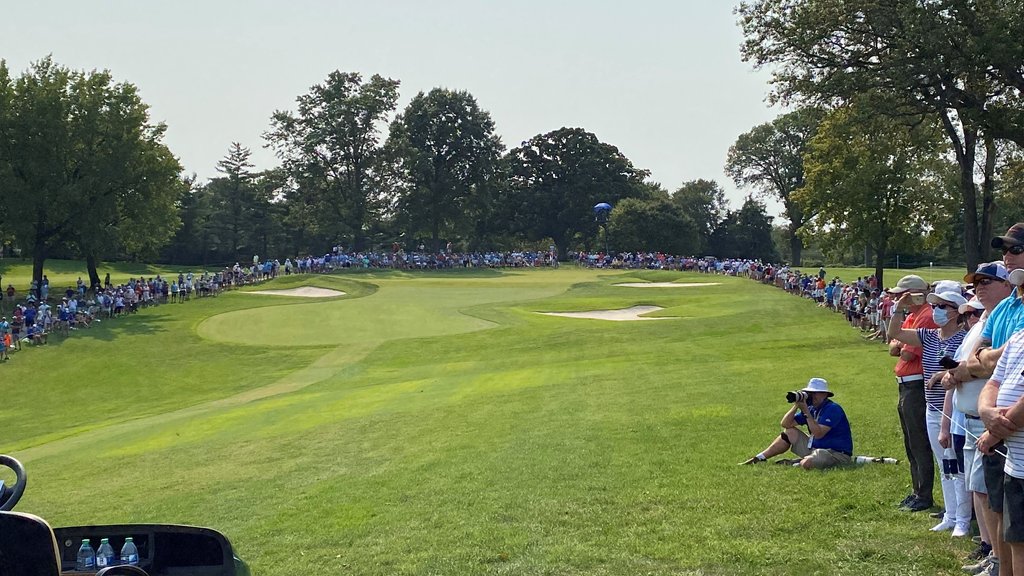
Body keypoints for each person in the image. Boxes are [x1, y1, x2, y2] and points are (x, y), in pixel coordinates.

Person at [943, 263, 1013, 564]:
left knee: (993, 495)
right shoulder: (986, 319)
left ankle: (999, 558)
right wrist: (959, 373)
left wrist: (965, 371)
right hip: (972, 418)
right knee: (981, 492)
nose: (979, 287)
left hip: (995, 420)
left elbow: (991, 365)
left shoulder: (1008, 315)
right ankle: (991, 551)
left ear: (1008, 284)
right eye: (977, 283)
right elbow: (971, 363)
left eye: (988, 281)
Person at [888, 284, 971, 531]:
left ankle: (963, 520)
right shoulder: (929, 335)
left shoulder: (964, 338)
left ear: (956, 311)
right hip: (932, 409)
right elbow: (896, 332)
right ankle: (951, 514)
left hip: (954, 410)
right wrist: (898, 308)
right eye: (934, 306)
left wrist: (942, 374)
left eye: (942, 306)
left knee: (955, 465)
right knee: (943, 463)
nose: (936, 310)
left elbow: (964, 368)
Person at [888, 274, 939, 512]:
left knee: (918, 441)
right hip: (905, 383)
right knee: (910, 441)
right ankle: (917, 489)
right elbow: (892, 343)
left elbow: (907, 353)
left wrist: (899, 345)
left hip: (916, 384)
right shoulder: (911, 316)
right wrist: (898, 344)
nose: (899, 298)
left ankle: (923, 493)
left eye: (903, 294)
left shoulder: (927, 316)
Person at [740, 378, 853, 470]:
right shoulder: (811, 408)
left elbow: (818, 434)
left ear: (824, 394)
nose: (811, 396)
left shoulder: (833, 409)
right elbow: (785, 424)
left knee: (808, 463)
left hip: (836, 453)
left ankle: (796, 463)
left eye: (814, 393)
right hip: (816, 448)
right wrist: (797, 405)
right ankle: (760, 458)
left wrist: (806, 412)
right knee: (790, 432)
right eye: (809, 393)